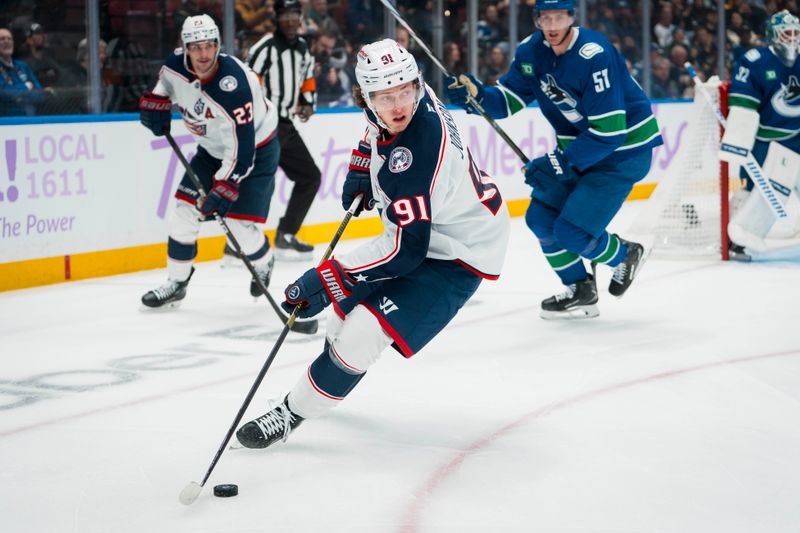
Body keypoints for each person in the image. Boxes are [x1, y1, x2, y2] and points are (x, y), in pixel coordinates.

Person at [233, 38, 510, 450]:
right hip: (433, 228)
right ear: (365, 96)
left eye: (404, 93)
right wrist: (364, 160)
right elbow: (377, 126)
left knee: (362, 332)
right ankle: (327, 380)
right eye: (385, 96)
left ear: (415, 86)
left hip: (459, 252)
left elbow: (404, 251)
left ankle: (292, 412)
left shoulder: (416, 160)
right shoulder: (411, 95)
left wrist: (327, 278)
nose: (398, 106)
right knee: (341, 319)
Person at [445, 0, 662, 320]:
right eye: (545, 18)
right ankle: (580, 289)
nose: (552, 26)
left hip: (622, 153)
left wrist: (559, 162)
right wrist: (478, 97)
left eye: (559, 17)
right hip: (581, 152)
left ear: (572, 17)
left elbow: (610, 132)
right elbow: (508, 100)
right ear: (536, 19)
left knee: (572, 232)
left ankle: (625, 254)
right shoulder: (531, 51)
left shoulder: (595, 54)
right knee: (541, 219)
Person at [139, 14, 279, 308]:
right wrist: (157, 101)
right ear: (185, 48)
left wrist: (224, 185)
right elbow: (165, 84)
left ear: (217, 45)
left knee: (236, 223)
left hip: (255, 149)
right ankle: (177, 282)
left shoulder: (234, 86)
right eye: (196, 47)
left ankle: (264, 261)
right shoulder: (175, 65)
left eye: (209, 46)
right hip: (210, 149)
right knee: (184, 212)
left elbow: (242, 151)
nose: (203, 54)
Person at [718, 9, 800, 260]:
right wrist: (738, 140)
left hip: (797, 134)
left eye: (795, 32)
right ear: (773, 35)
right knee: (755, 190)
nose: (792, 38)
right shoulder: (755, 60)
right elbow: (744, 105)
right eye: (787, 33)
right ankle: (737, 241)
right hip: (765, 140)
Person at [244, 0, 321, 261]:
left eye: (294, 15)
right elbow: (249, 85)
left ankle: (286, 234)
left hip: (286, 126)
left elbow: (307, 79)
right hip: (265, 126)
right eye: (285, 15)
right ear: (276, 18)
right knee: (258, 181)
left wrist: (308, 102)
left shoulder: (303, 49)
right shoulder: (263, 48)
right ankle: (240, 243)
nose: (290, 20)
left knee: (310, 177)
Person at [0, 27, 45, 116]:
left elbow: (40, 94)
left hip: (30, 119)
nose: (6, 42)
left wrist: (18, 96)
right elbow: (4, 95)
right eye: (2, 39)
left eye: (9, 39)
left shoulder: (22, 66)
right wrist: (26, 87)